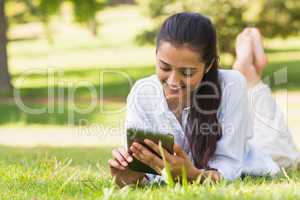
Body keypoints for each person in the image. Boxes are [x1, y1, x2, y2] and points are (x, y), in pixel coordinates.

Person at [108, 12, 300, 187]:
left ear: (208, 65)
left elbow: (230, 169)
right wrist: (126, 175)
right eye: (165, 67)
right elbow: (144, 173)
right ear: (156, 55)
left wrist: (193, 174)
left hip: (258, 154)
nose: (173, 81)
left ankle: (247, 68)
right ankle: (245, 69)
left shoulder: (232, 86)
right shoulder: (142, 93)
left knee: (286, 157)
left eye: (188, 72)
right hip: (238, 122)